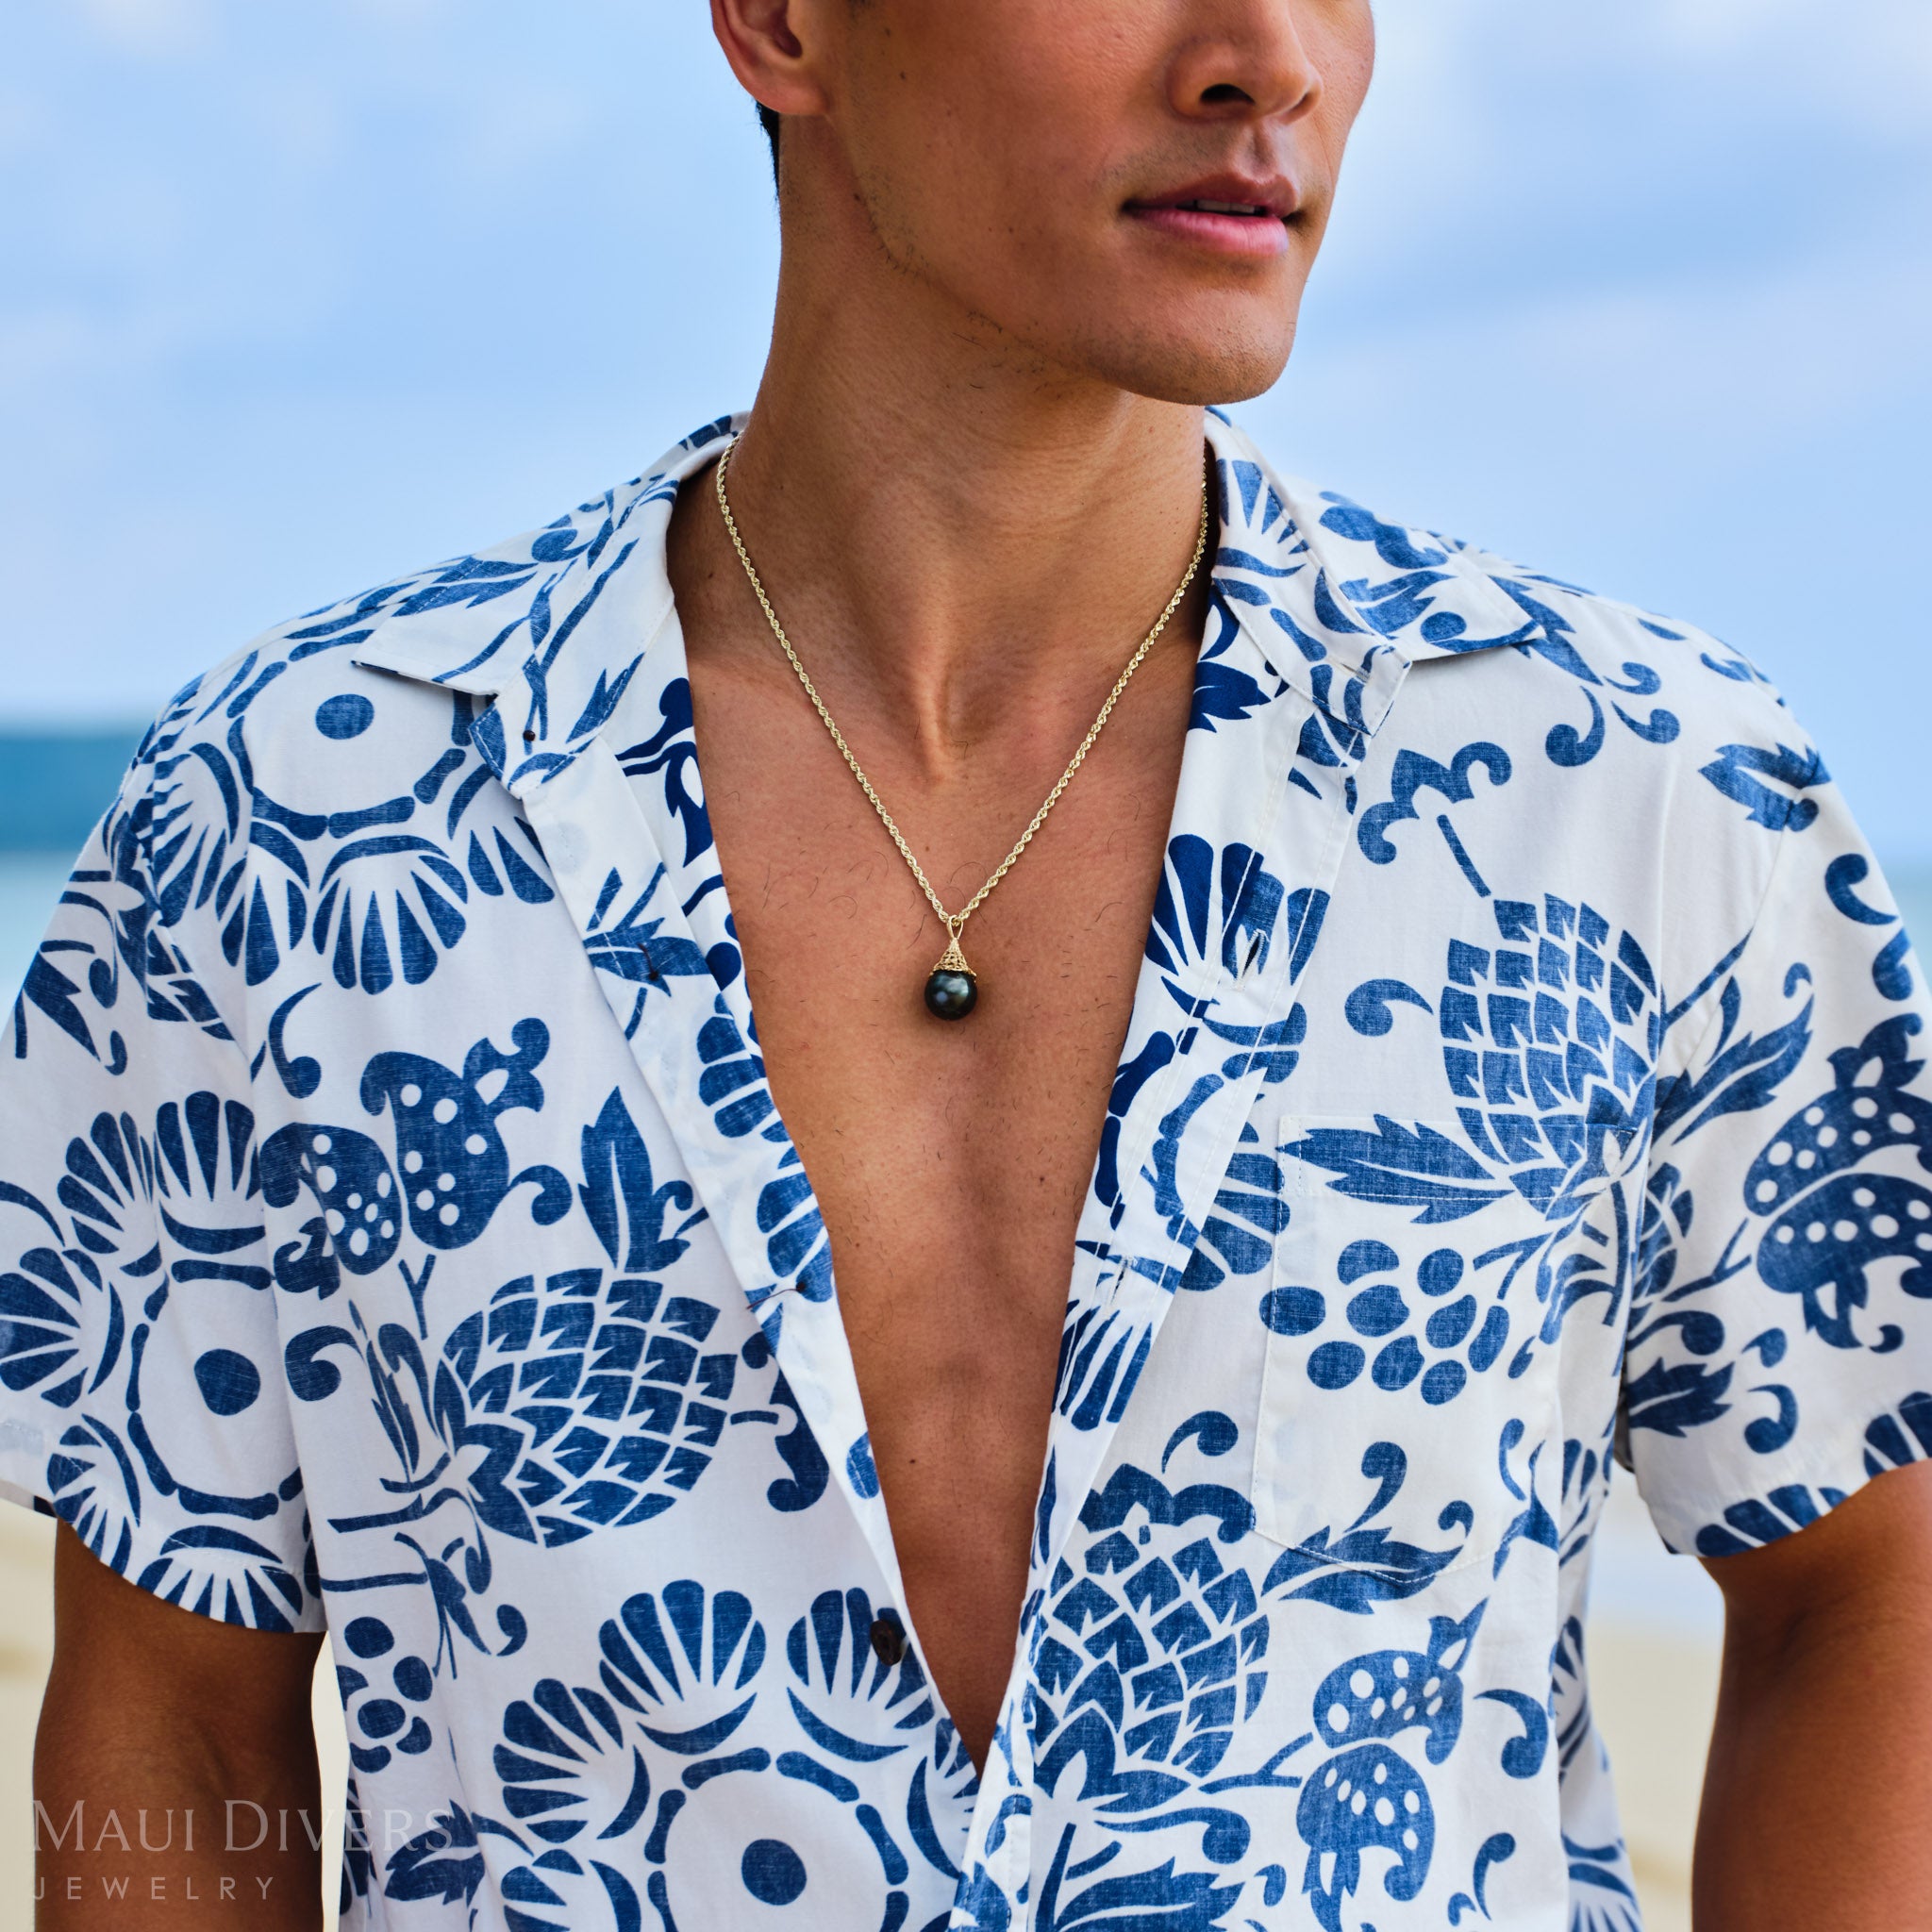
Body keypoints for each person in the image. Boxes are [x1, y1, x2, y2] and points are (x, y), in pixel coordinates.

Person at [10, 2, 1932, 1925]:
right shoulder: (292, 817)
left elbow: (1866, 1581)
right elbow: (179, 1717)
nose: (1266, 58)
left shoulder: (1631, 791)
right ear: (781, 25)